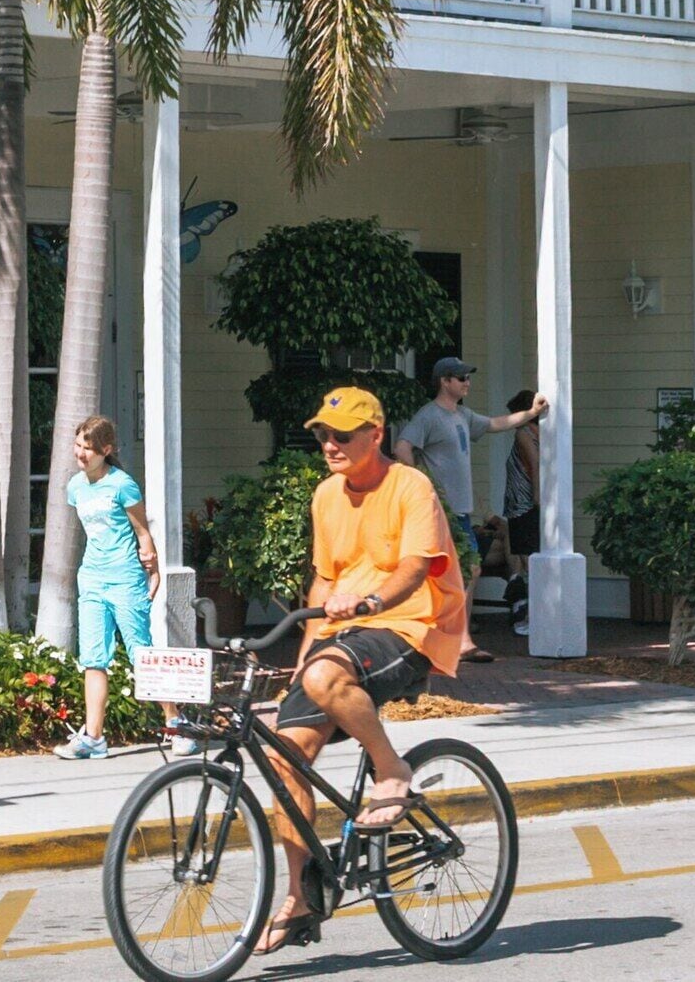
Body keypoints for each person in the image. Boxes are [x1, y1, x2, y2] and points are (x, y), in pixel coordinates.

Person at [260, 385, 468, 953]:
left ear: (375, 435)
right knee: (283, 757)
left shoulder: (410, 485)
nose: (330, 444)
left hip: (409, 625)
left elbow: (415, 568)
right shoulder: (326, 495)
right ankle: (302, 898)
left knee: (326, 677)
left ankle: (391, 769)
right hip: (342, 637)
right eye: (323, 435)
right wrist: (303, 655)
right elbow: (325, 579)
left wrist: (372, 601)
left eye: (343, 435)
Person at [393, 358, 545, 663]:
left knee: (465, 572)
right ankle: (450, 640)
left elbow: (496, 424)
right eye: (461, 378)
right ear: (445, 381)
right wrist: (422, 484)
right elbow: (401, 447)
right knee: (463, 570)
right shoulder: (429, 415)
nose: (467, 383)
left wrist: (531, 413)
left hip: (460, 512)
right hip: (441, 511)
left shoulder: (462, 415)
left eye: (468, 378)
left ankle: (455, 639)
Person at [54, 413, 161, 759]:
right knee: (93, 659)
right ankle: (94, 738)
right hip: (92, 578)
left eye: (88, 448)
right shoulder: (75, 487)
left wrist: (153, 570)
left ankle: (176, 723)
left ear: (106, 450)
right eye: (78, 445)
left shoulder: (122, 485)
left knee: (142, 654)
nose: (81, 453)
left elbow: (142, 531)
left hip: (125, 577)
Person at [501, 390, 544, 634]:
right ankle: (530, 611)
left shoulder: (524, 433)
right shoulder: (541, 434)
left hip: (523, 503)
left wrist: (536, 494)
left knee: (528, 557)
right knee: (524, 555)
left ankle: (535, 615)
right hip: (521, 503)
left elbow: (534, 464)